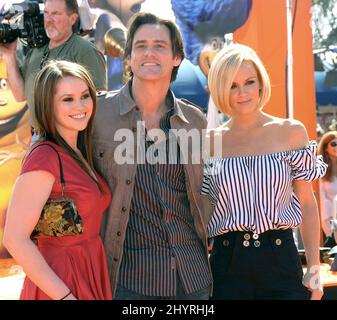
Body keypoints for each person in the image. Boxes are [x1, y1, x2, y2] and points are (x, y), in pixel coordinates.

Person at [93, 12, 213, 299]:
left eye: (159, 46)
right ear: (129, 57)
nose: (149, 52)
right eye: (141, 45)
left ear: (176, 58)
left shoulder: (195, 121)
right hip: (129, 281)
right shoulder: (97, 115)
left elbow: (206, 192)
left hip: (193, 278)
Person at [203, 44, 327, 300]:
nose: (242, 92)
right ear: (220, 89)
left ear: (260, 82)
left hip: (281, 259)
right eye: (232, 85)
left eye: (249, 82)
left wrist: (314, 269)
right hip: (226, 264)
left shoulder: (291, 132)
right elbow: (201, 212)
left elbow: (307, 203)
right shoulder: (208, 142)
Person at [3, 60, 112, 300]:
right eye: (67, 99)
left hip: (89, 268)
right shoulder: (45, 156)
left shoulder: (78, 150)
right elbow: (14, 238)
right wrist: (65, 297)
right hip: (60, 280)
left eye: (85, 96)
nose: (81, 105)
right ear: (48, 105)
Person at [0, 0, 107, 109]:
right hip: (37, 126)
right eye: (46, 13)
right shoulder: (36, 51)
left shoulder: (85, 51)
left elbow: (100, 104)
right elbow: (20, 95)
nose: (49, 20)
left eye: (55, 14)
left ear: (73, 19)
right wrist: (9, 55)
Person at [318, 131, 337, 241]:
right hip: (331, 223)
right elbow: (323, 201)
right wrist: (329, 228)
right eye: (334, 144)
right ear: (326, 148)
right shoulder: (321, 171)